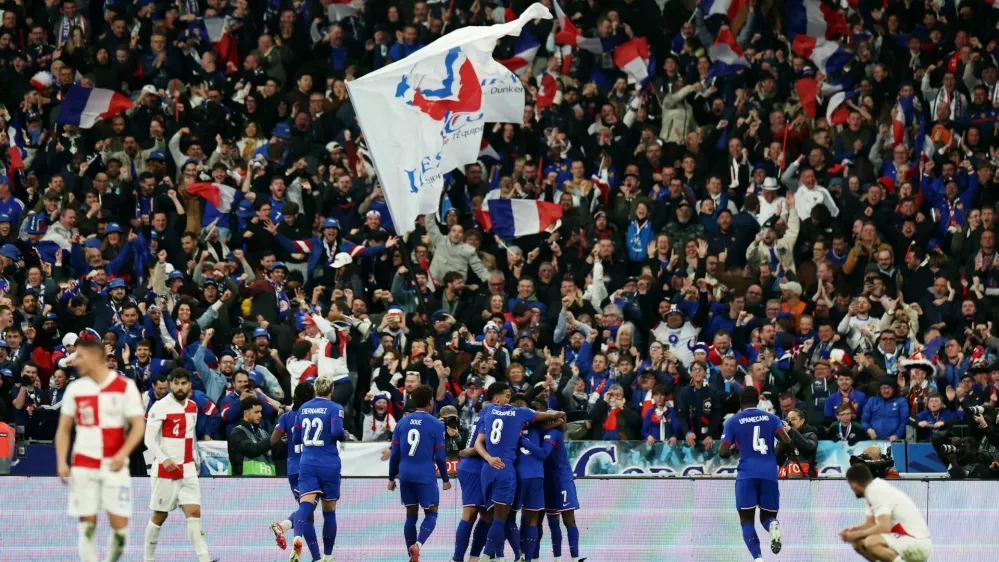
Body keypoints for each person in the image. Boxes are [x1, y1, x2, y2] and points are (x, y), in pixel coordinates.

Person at [55, 337, 146, 562]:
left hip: (114, 466)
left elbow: (138, 425)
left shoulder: (125, 386)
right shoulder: (75, 389)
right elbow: (64, 429)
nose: (75, 362)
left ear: (95, 357)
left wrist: (123, 453)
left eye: (79, 356)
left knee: (121, 528)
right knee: (87, 523)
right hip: (84, 464)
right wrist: (61, 460)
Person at [474, 387, 564, 562]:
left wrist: (488, 457)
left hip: (491, 466)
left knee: (501, 518)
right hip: (517, 472)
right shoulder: (524, 416)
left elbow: (478, 442)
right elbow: (549, 418)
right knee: (523, 519)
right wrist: (559, 415)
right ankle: (522, 557)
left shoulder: (489, 410)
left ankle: (498, 557)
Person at [142, 367, 212, 562]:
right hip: (165, 471)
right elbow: (149, 439)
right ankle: (147, 559)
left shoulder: (192, 407)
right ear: (170, 384)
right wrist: (164, 459)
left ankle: (204, 558)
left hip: (188, 469)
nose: (180, 387)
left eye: (183, 383)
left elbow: (189, 438)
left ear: (189, 385)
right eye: (176, 383)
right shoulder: (160, 406)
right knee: (160, 515)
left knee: (194, 512)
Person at [719, 386, 792, 562]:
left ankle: (758, 558)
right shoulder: (772, 418)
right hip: (769, 472)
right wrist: (773, 454)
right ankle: (773, 526)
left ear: (740, 402)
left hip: (747, 473)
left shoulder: (733, 422)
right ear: (759, 400)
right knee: (768, 516)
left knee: (746, 520)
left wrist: (735, 448)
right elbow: (787, 441)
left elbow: (722, 452)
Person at [387, 384, 451, 561]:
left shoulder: (402, 423)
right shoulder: (437, 425)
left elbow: (394, 455)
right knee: (432, 513)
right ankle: (419, 545)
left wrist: (391, 478)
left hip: (405, 474)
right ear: (431, 402)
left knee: (411, 515)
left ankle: (410, 555)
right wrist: (445, 479)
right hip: (425, 475)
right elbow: (440, 456)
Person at [289, 374, 346, 562]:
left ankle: (297, 537)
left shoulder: (303, 409)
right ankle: (327, 557)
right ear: (331, 390)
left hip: (307, 462)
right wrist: (343, 435)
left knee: (305, 505)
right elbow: (337, 432)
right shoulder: (336, 408)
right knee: (329, 512)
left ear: (315, 390)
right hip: (329, 463)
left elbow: (296, 439)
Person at [452, 381, 510, 562]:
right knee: (470, 513)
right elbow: (485, 443)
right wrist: (469, 451)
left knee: (487, 514)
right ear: (496, 398)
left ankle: (474, 557)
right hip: (472, 466)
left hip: (478, 466)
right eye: (507, 396)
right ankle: (457, 559)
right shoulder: (492, 412)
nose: (509, 400)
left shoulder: (486, 411)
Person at [840, 463, 932, 562]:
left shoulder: (876, 491)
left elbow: (884, 527)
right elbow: (870, 524)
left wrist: (855, 534)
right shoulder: (872, 490)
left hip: (917, 543)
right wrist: (853, 530)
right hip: (905, 541)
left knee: (871, 542)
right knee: (858, 542)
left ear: (854, 485)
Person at [269, 381, 316, 551]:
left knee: (307, 513)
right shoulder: (314, 416)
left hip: (293, 469)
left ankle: (283, 526)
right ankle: (313, 555)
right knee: (307, 511)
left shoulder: (287, 417)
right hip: (311, 469)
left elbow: (273, 440)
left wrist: (289, 440)